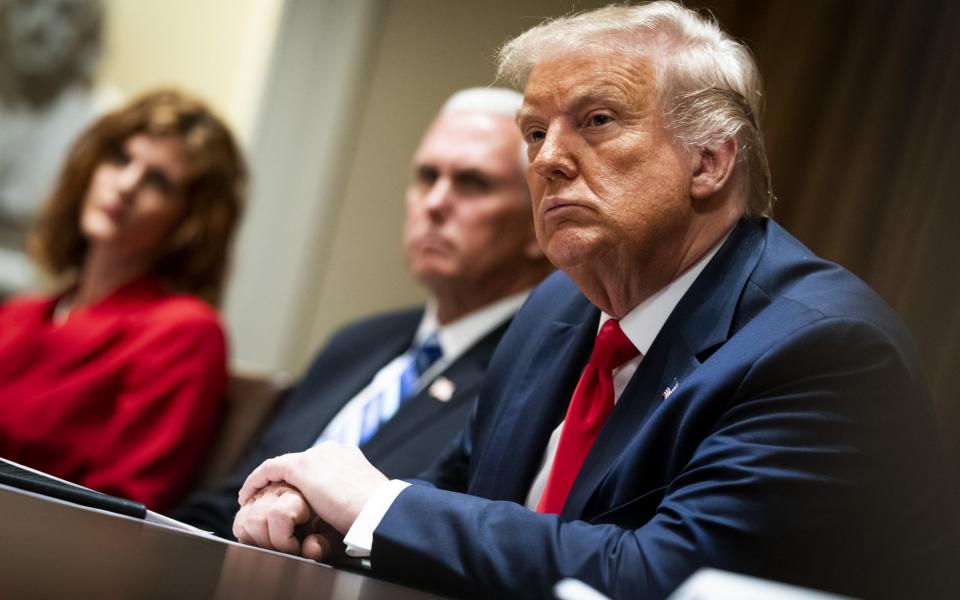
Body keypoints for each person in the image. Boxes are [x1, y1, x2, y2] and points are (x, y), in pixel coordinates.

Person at [231, 3, 958, 599]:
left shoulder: (819, 348)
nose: (547, 160)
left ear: (709, 160)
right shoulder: (555, 308)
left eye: (598, 121)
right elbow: (455, 492)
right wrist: (325, 518)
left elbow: (662, 579)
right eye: (536, 132)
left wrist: (375, 505)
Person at [173, 87, 553, 538]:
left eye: (473, 183)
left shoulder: (536, 375)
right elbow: (233, 497)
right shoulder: (355, 342)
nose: (434, 203)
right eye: (426, 177)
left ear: (538, 221)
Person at [0, 89, 245, 512]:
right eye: (119, 160)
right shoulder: (18, 316)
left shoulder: (184, 333)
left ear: (189, 221)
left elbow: (123, 508)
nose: (126, 185)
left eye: (158, 181)